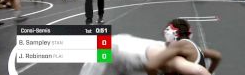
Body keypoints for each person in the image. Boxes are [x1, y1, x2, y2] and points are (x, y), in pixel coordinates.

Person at [79, 19, 221, 75]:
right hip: (116, 48)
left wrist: (210, 70)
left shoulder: (186, 51)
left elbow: (215, 57)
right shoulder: (178, 59)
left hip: (128, 47)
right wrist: (210, 71)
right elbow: (203, 68)